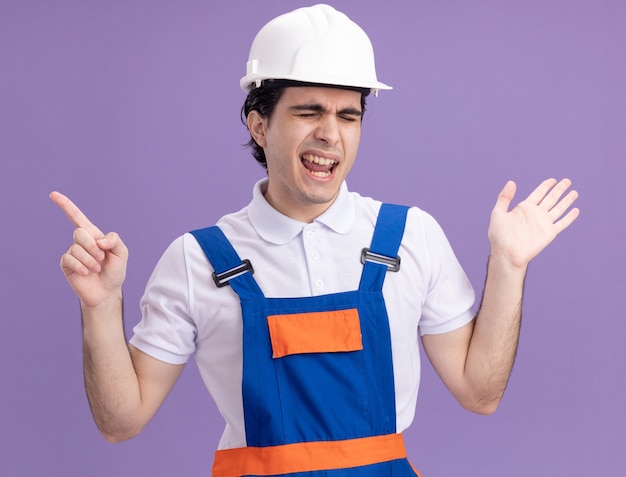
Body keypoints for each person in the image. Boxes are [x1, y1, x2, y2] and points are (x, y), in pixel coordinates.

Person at [50, 4, 579, 476]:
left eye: (348, 116)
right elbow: (121, 422)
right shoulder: (197, 259)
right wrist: (101, 306)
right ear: (260, 126)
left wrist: (508, 267)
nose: (331, 133)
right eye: (309, 112)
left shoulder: (409, 236)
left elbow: (479, 393)